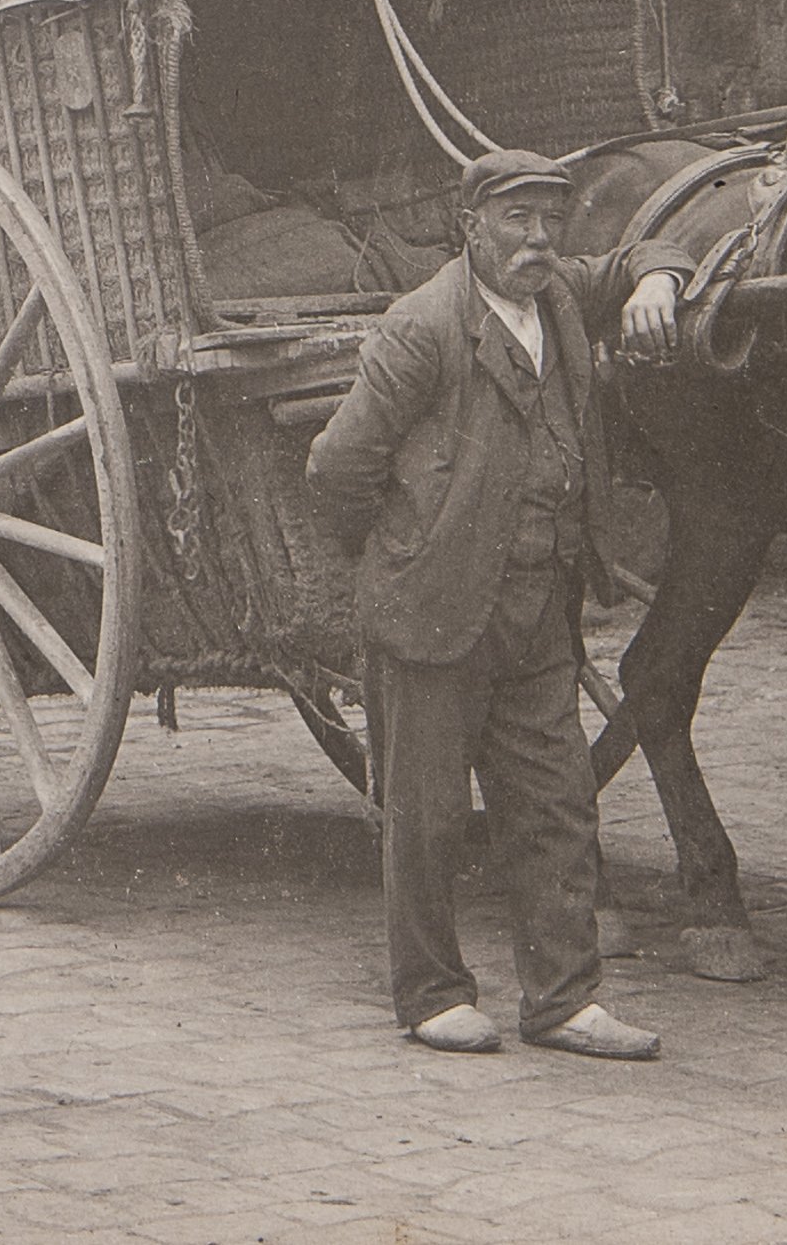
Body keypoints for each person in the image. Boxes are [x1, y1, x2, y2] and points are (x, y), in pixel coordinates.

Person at [301, 147, 690, 1059]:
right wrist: (407, 548)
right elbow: (335, 468)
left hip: (536, 608)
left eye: (550, 218)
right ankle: (432, 995)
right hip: (432, 606)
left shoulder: (559, 295)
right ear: (468, 226)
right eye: (516, 219)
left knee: (558, 804)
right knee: (427, 812)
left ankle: (562, 1000)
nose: (537, 238)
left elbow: (646, 250)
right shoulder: (421, 329)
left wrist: (659, 280)